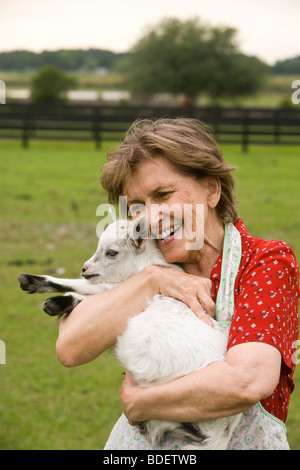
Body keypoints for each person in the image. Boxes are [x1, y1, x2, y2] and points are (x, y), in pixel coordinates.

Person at [56, 118, 299, 450]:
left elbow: (246, 381)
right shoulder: (143, 260)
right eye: (137, 206)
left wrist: (142, 403)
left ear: (212, 189)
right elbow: (70, 347)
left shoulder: (263, 262)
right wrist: (153, 280)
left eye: (163, 194)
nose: (150, 218)